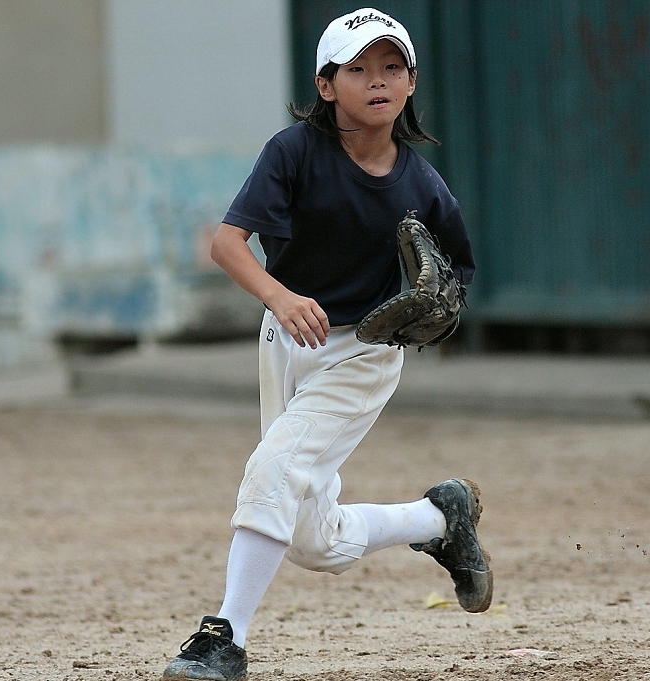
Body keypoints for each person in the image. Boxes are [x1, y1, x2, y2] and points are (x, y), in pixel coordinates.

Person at [161, 8, 491, 681]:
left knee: (272, 469)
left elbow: (458, 276)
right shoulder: (294, 153)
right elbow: (227, 244)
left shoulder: (422, 185)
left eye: (391, 66)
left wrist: (436, 310)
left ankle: (225, 636)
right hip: (284, 335)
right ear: (326, 84)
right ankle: (438, 518)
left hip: (364, 352)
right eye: (358, 67)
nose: (377, 80)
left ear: (410, 82)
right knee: (313, 538)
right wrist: (279, 296)